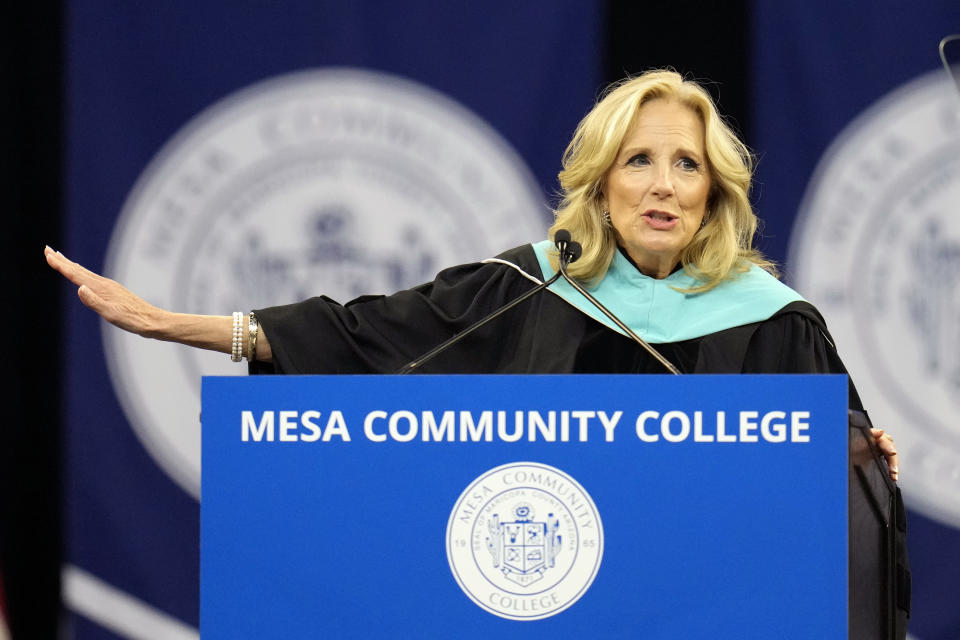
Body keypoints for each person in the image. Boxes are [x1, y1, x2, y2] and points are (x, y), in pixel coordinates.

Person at [44, 69, 900, 479]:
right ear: (602, 183)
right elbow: (359, 337)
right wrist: (170, 323)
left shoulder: (771, 320)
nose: (664, 185)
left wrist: (869, 459)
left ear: (714, 189)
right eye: (639, 160)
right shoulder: (527, 288)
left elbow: (842, 463)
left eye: (686, 163)